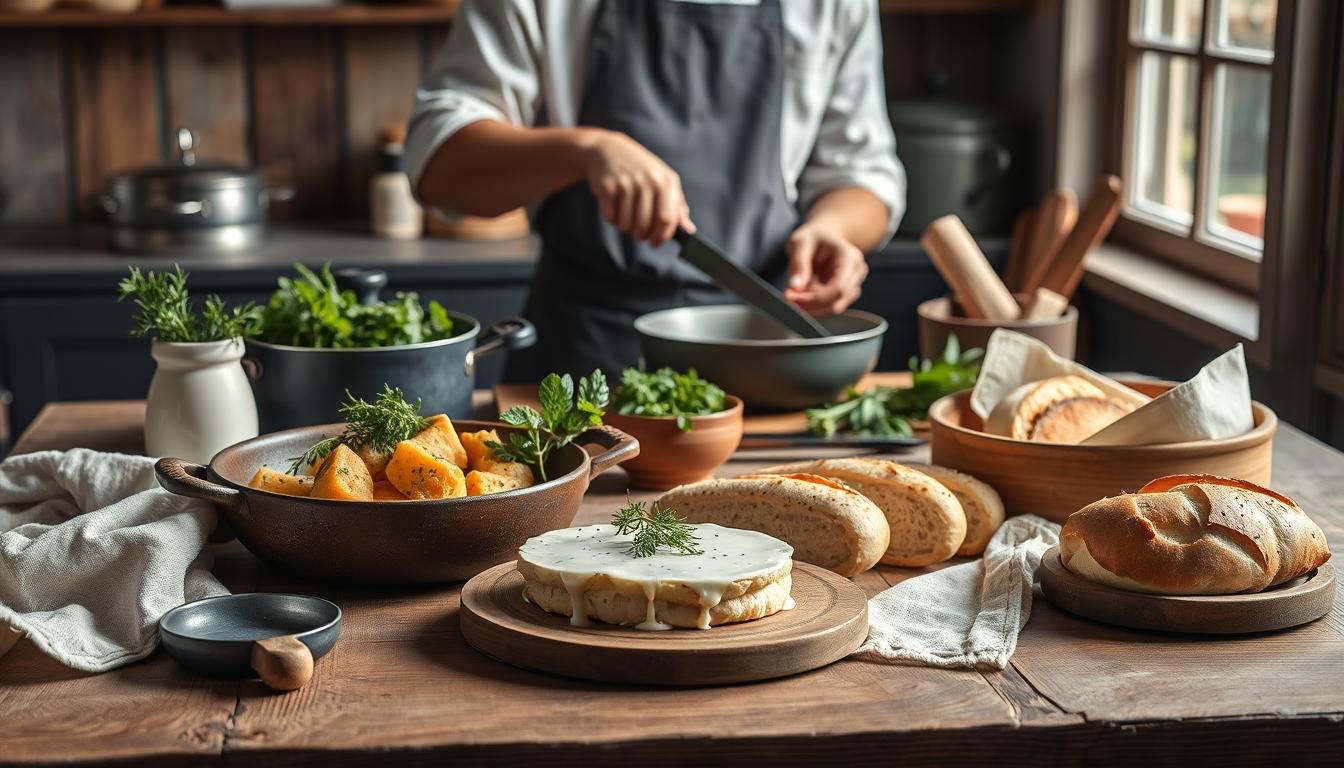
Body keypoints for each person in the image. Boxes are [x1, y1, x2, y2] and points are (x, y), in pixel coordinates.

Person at [407, 0, 905, 382]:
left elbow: (862, 174)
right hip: (586, 364)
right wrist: (585, 149)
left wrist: (833, 229)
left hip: (766, 362)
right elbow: (438, 164)